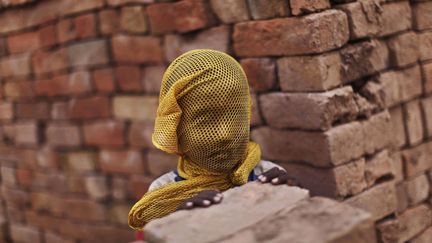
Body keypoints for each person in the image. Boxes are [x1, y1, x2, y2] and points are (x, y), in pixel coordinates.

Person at [128, 49, 297, 231]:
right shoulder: (164, 194)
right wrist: (180, 221)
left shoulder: (266, 174)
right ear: (175, 128)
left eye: (235, 115)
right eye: (205, 119)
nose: (224, 134)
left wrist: (293, 201)